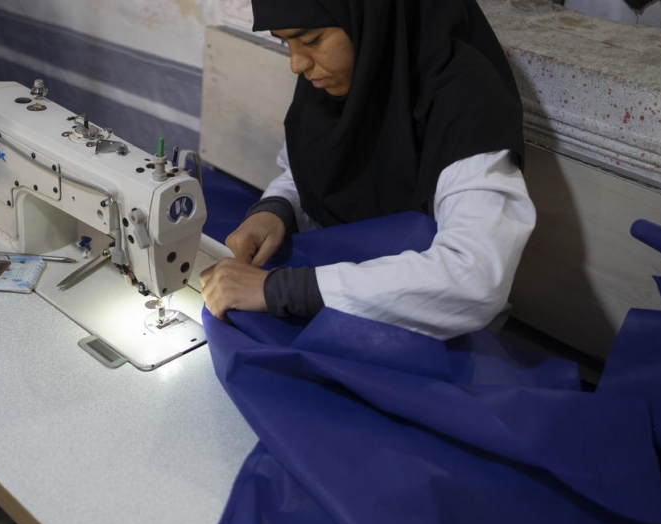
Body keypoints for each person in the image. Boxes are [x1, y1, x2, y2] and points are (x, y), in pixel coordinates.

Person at [199, 0, 536, 340]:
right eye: (286, 43)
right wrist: (277, 209)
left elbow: (473, 279)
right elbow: (307, 171)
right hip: (332, 296)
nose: (296, 64)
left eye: (311, 40)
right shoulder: (342, 75)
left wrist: (286, 290)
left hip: (431, 340)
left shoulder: (468, 101)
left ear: (371, 15)